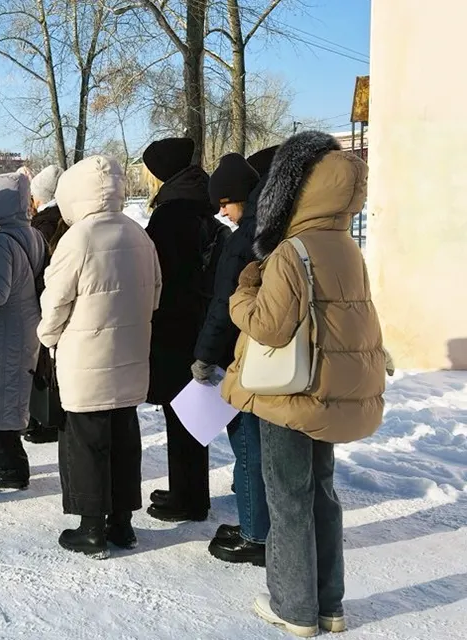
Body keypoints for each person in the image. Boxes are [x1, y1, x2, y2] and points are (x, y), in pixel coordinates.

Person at [221, 132, 386, 636]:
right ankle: (329, 604)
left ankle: (293, 608)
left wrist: (242, 294)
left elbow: (269, 326)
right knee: (321, 493)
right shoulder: (345, 246)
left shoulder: (293, 250)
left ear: (296, 190)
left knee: (288, 497)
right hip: (329, 390)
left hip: (288, 394)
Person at [38, 155, 162, 559]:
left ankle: (91, 528)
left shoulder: (79, 238)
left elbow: (55, 301)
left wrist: (47, 336)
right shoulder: (139, 234)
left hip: (85, 359)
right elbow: (156, 292)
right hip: (130, 357)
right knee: (125, 439)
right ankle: (122, 525)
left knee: (85, 442)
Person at [193, 149, 275, 567]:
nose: (222, 212)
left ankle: (255, 535)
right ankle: (257, 525)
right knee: (256, 445)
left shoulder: (246, 236)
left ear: (241, 194)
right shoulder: (270, 224)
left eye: (225, 202)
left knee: (247, 445)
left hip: (245, 354)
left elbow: (225, 303)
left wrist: (205, 355)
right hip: (265, 352)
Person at [142, 137, 225, 522]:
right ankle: (188, 490)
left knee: (183, 414)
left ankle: (189, 498)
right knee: (191, 411)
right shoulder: (198, 203)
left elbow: (162, 275)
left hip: (176, 323)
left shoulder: (171, 213)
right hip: (200, 318)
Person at [0, 172, 48, 489]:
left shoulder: (2, 241)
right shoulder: (34, 234)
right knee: (14, 391)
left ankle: (12, 467)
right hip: (26, 323)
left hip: (5, 328)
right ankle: (8, 457)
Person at [24, 164, 66, 445]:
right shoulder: (67, 219)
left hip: (45, 298)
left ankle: (46, 419)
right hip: (58, 297)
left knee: (45, 361)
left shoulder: (42, 224)